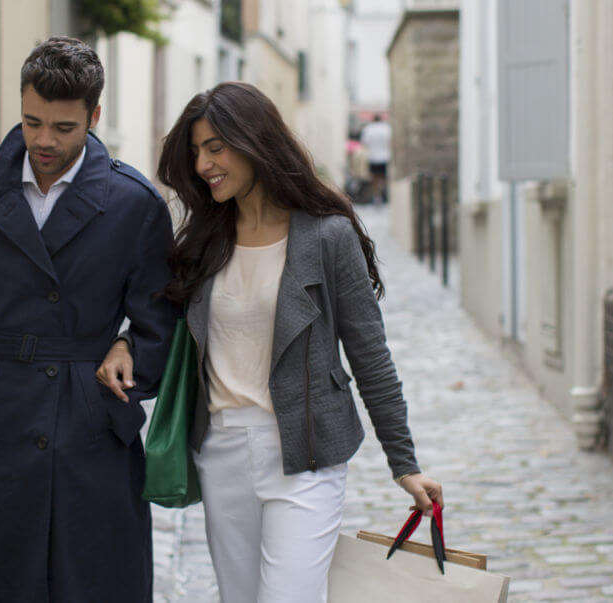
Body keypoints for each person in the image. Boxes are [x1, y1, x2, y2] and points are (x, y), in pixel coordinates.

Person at [97, 82, 441, 603]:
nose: (205, 163)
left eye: (216, 147)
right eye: (196, 152)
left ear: (255, 141)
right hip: (222, 452)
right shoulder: (204, 242)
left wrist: (405, 462)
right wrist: (126, 343)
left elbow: (370, 355)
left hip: (305, 455)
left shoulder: (327, 236)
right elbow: (165, 323)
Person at [0, 36, 176, 601]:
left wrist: (130, 352)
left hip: (91, 427)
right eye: (32, 122)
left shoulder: (133, 204)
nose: (44, 140)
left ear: (95, 116)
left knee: (96, 583)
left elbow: (163, 320)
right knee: (3, 583)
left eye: (64, 128)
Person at [360, 113, 392, 203]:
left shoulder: (368, 129)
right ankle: (383, 193)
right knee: (384, 177)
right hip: (385, 156)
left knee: (374, 178)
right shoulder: (387, 128)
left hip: (373, 157)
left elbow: (364, 143)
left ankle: (377, 196)